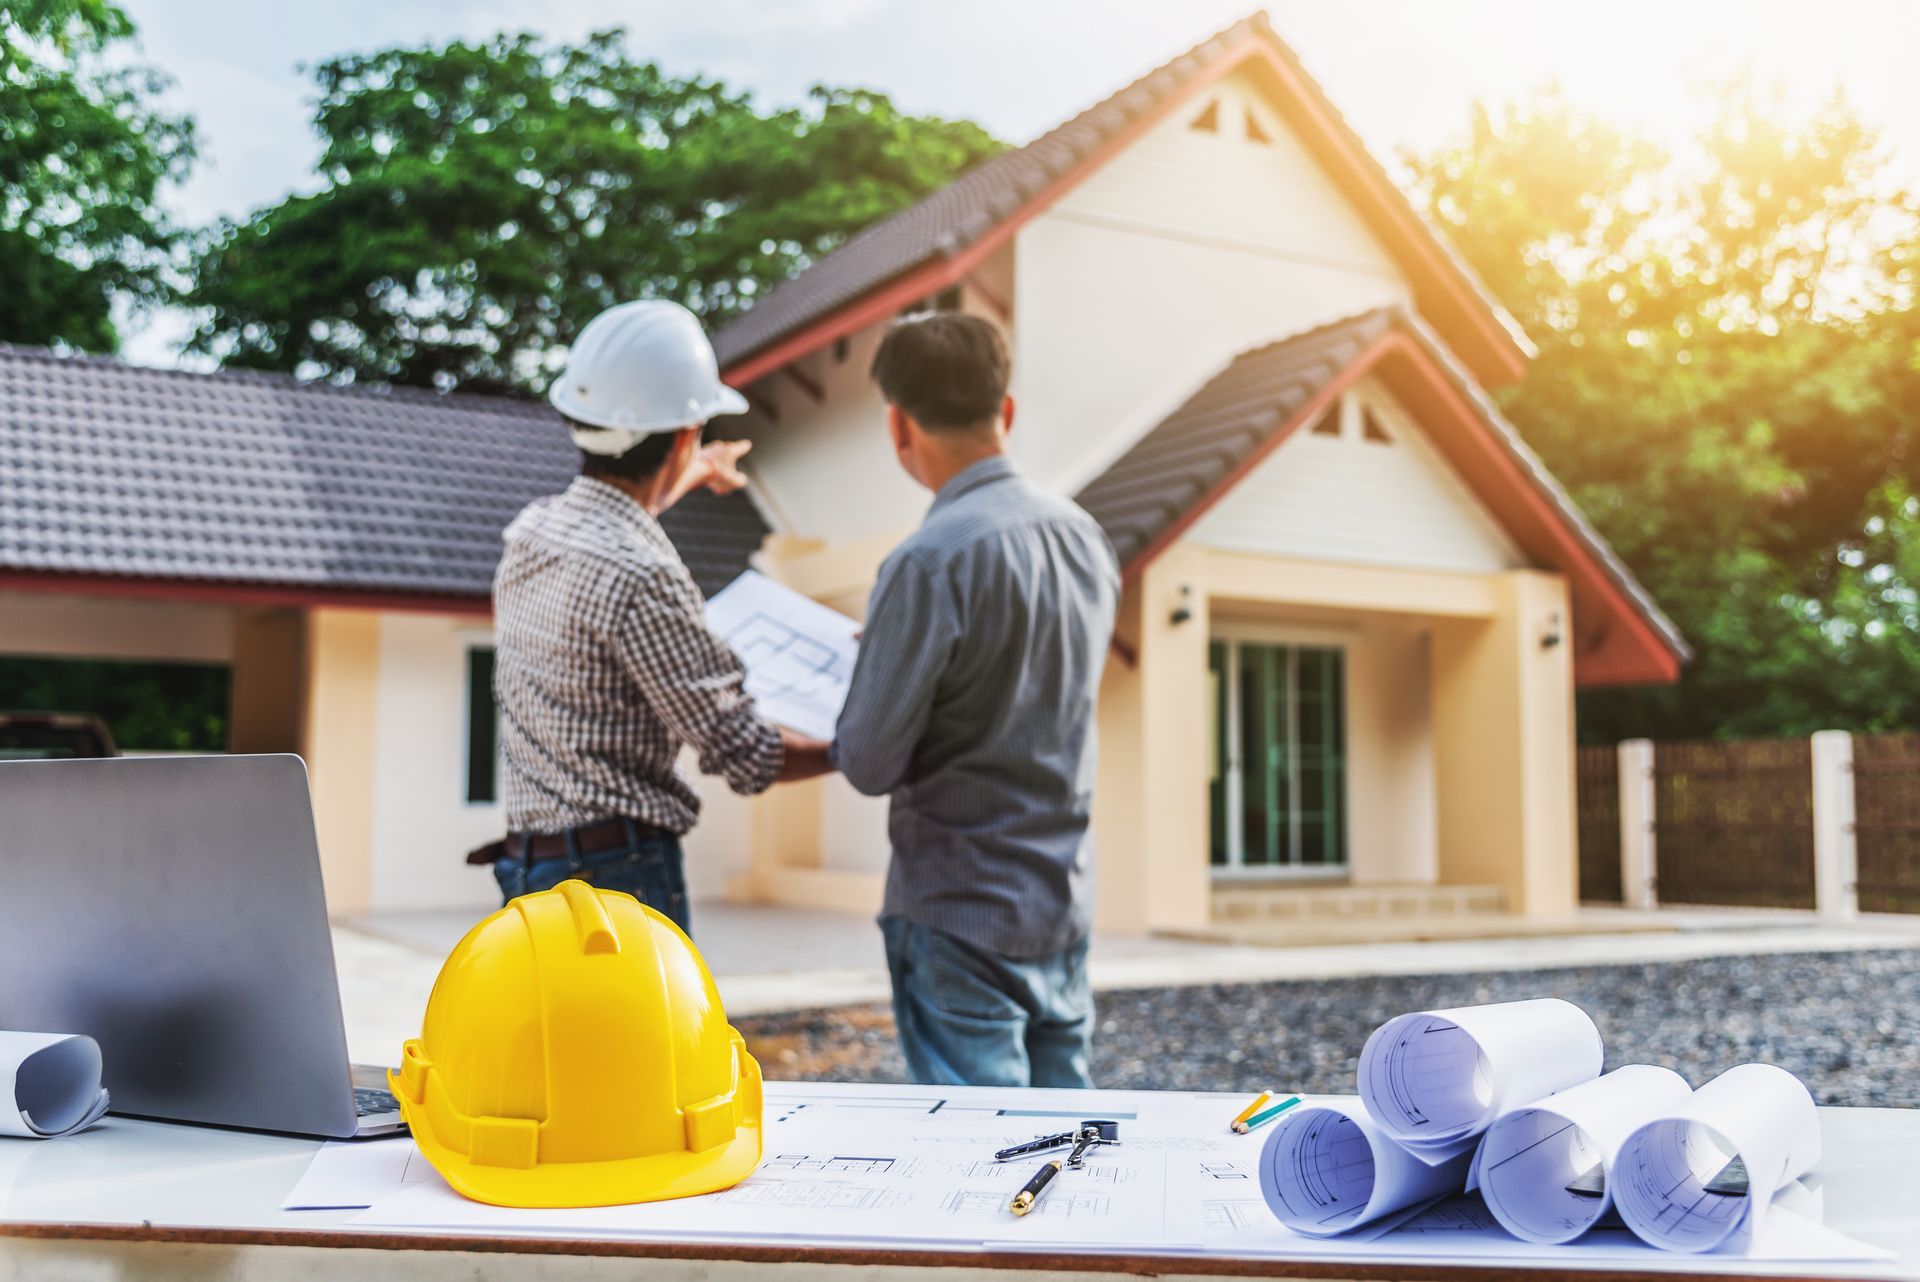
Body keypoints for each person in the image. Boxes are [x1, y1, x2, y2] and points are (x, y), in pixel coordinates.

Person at [832, 312, 1120, 1088]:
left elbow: (866, 760)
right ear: (1008, 410)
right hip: (1060, 899)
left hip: (958, 911)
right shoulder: (1087, 539)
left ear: (899, 424)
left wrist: (880, 677)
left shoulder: (926, 563)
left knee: (980, 1168)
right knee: (1070, 1148)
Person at [483, 300, 833, 933]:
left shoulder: (533, 532)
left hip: (530, 874)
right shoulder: (645, 576)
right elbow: (746, 753)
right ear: (681, 435)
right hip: (618, 882)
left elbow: (619, 514)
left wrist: (694, 466)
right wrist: (863, 745)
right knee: (641, 1039)